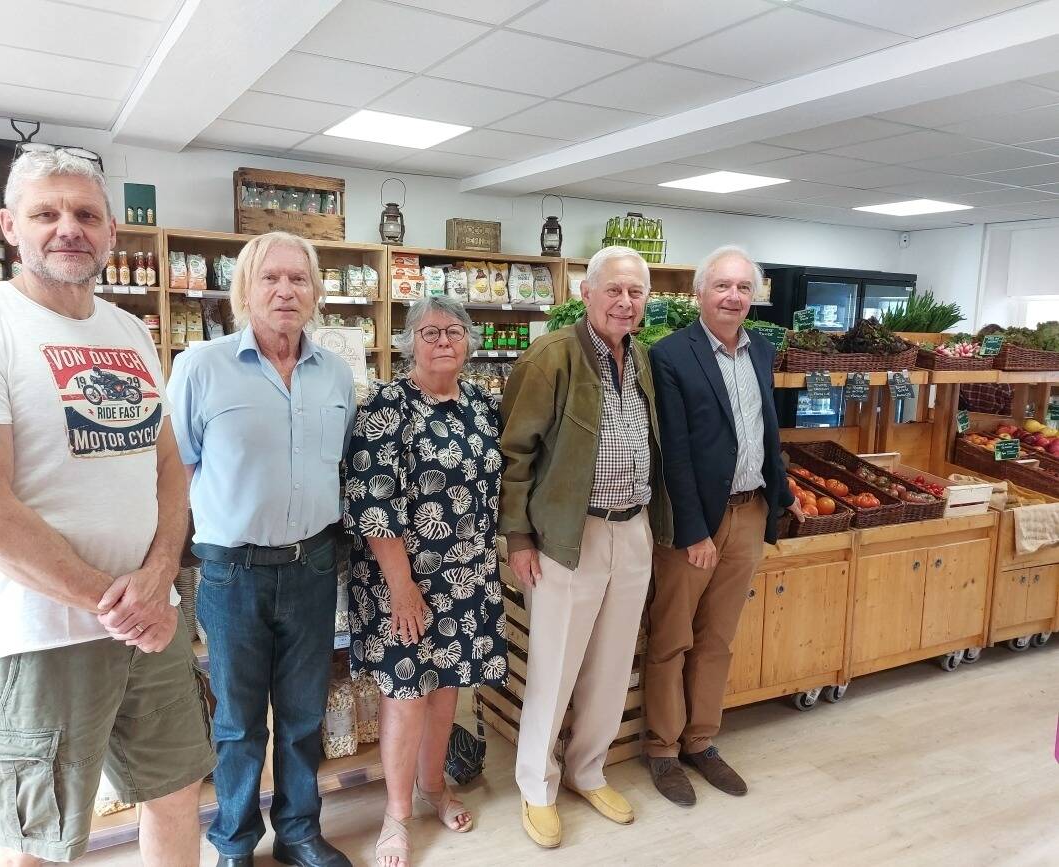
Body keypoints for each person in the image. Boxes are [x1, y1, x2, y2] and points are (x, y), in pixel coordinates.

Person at [0, 150, 214, 865]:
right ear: (11, 226)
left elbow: (168, 466)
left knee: (175, 794)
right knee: (43, 839)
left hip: (149, 620)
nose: (67, 228)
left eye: (85, 214)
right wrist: (120, 603)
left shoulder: (131, 331)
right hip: (38, 636)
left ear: (110, 234)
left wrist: (160, 572)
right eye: (47, 213)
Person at [167, 232, 356, 867]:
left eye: (298, 280)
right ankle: (235, 843)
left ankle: (299, 831)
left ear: (316, 292)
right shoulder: (201, 365)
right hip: (232, 572)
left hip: (312, 565)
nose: (284, 291)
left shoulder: (335, 373)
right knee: (239, 722)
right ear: (244, 290)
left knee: (303, 717)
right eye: (269, 279)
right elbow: (178, 469)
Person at [498, 246, 674, 849]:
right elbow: (514, 455)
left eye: (636, 294)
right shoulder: (552, 357)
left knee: (611, 662)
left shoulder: (641, 358)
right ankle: (537, 786)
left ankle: (586, 770)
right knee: (554, 665)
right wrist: (518, 538)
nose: (625, 303)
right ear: (588, 294)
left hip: (632, 528)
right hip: (570, 535)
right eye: (615, 291)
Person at [344, 296, 508, 867]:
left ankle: (434, 786)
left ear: (470, 341)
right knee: (406, 697)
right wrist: (402, 587)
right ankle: (396, 813)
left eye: (455, 331)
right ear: (408, 340)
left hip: (468, 577)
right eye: (431, 331)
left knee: (446, 693)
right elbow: (372, 505)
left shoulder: (481, 407)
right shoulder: (386, 406)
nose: (444, 341)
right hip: (403, 581)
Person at [644, 245, 806, 807]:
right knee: (671, 639)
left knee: (717, 640)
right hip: (695, 522)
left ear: (754, 295)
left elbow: (767, 432)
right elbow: (675, 453)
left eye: (743, 287)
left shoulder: (761, 349)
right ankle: (662, 750)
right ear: (699, 295)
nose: (734, 296)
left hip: (751, 509)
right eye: (722, 286)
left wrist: (782, 495)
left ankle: (702, 741)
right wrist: (692, 531)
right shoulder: (669, 354)